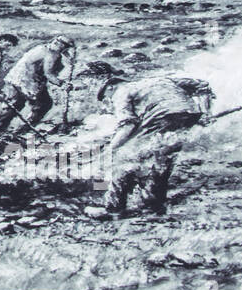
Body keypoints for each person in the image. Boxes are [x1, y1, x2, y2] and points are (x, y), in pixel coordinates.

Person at [85, 68, 216, 218]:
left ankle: (113, 208)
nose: (107, 100)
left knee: (121, 159)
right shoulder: (160, 80)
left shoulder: (121, 92)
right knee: (161, 160)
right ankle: (152, 206)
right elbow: (203, 85)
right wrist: (206, 112)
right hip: (188, 118)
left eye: (105, 95)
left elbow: (128, 125)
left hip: (161, 120)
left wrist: (110, 149)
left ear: (111, 86)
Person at [0, 35, 76, 139]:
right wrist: (62, 84)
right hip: (27, 81)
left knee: (13, 107)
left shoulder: (41, 47)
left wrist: (69, 59)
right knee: (42, 104)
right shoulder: (51, 54)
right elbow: (48, 74)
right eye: (63, 46)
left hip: (16, 78)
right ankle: (21, 130)